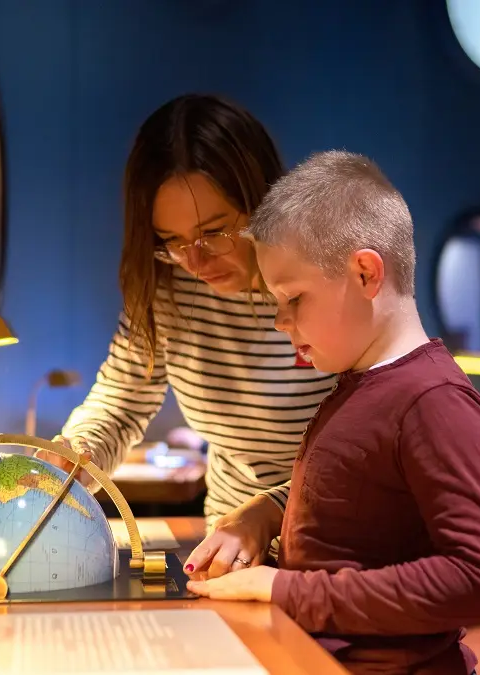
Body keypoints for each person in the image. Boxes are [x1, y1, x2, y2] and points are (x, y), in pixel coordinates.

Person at [185, 150, 480, 675]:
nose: (280, 321)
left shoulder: (433, 401)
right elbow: (355, 511)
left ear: (365, 273)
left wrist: (284, 588)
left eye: (293, 298)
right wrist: (263, 519)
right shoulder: (357, 385)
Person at [54, 95, 338, 569]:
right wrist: (74, 456)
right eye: (173, 242)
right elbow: (121, 402)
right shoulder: (171, 286)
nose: (196, 262)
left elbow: (365, 457)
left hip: (331, 552)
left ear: (264, 200)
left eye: (215, 232)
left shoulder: (324, 281)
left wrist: (268, 513)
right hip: (229, 552)